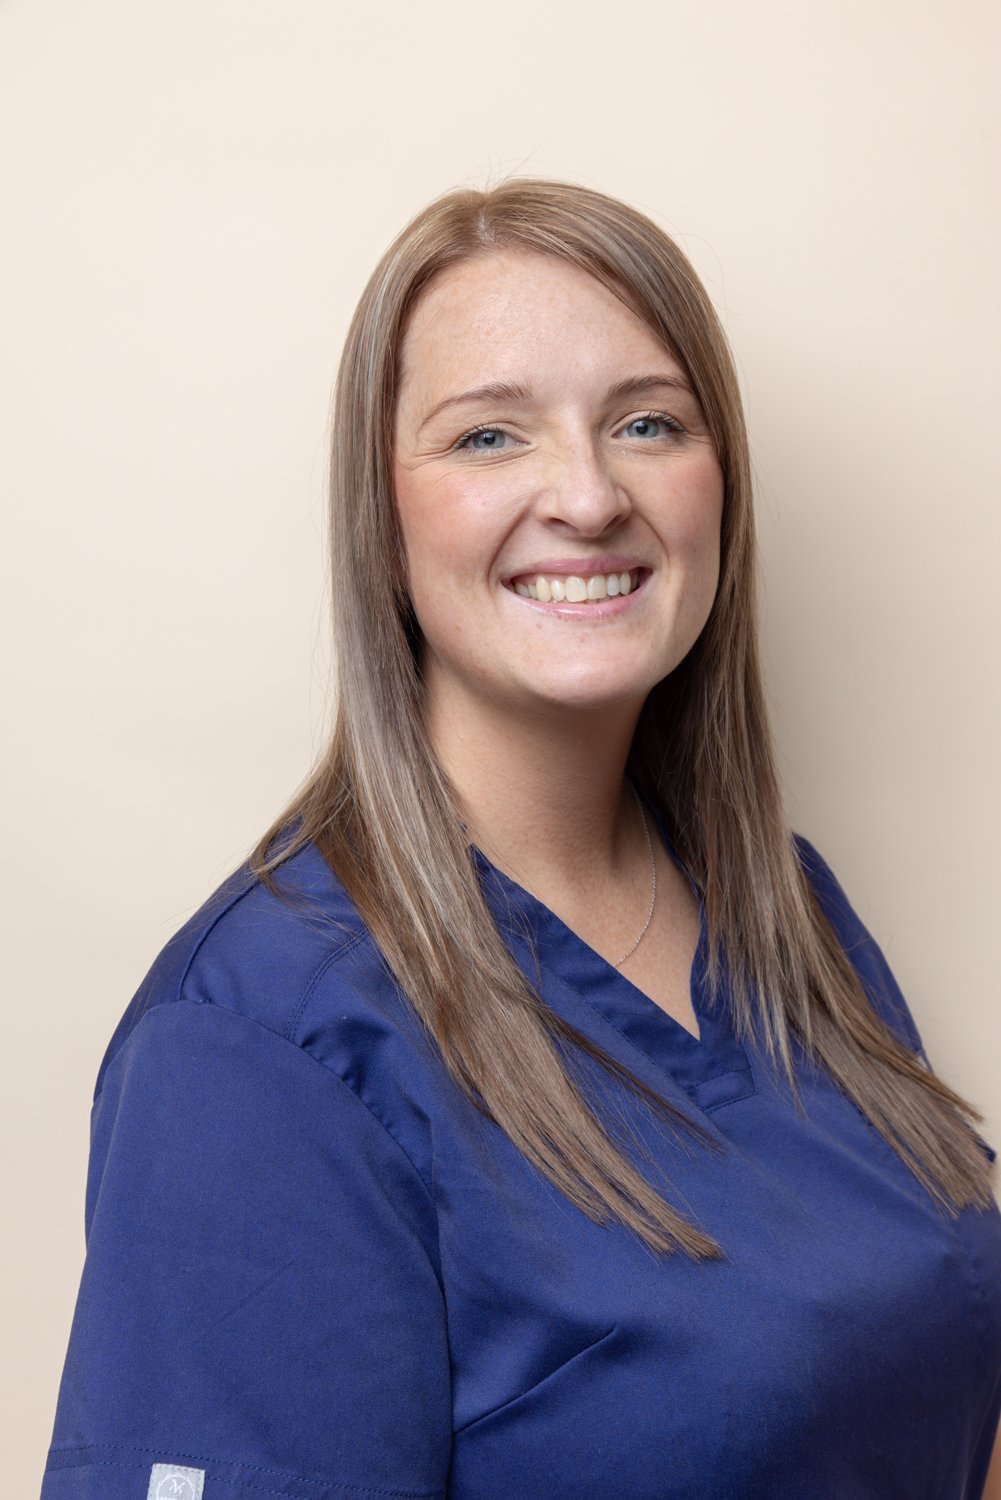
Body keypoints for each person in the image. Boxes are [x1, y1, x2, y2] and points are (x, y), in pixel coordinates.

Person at [40, 178, 1001, 1500]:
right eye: (488, 437)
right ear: (381, 520)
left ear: (720, 487)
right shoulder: (257, 1050)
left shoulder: (781, 908)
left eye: (648, 422)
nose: (589, 496)